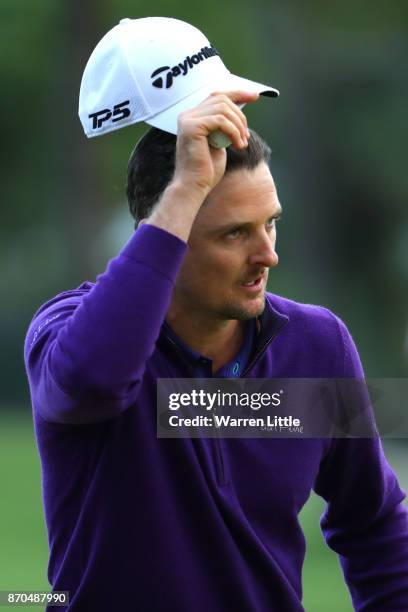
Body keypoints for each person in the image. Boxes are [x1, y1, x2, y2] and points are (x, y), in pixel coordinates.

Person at [24, 91, 408, 611]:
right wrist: (185, 188)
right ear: (167, 235)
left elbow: (374, 523)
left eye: (270, 223)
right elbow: (93, 382)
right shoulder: (68, 331)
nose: (267, 254)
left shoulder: (316, 347)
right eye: (235, 234)